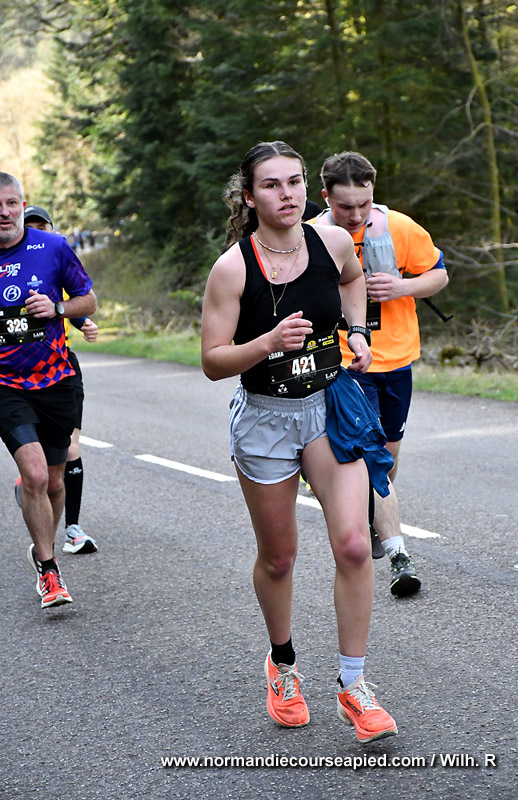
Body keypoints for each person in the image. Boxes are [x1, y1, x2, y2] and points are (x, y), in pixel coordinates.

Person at [201, 141, 398, 743]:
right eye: (271, 185)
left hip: (329, 407)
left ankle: (353, 685)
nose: (286, 194)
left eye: (294, 182)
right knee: (279, 557)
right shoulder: (233, 268)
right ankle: (283, 665)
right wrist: (267, 342)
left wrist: (357, 332)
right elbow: (212, 361)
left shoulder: (332, 242)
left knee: (355, 546)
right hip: (265, 416)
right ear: (249, 196)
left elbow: (354, 279)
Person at [314, 151, 449, 596]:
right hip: (345, 362)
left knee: (387, 458)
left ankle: (373, 515)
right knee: (372, 455)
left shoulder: (399, 228)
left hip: (397, 358)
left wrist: (402, 286)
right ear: (325, 197)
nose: (356, 215)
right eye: (345, 206)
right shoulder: (311, 237)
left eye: (364, 204)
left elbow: (439, 276)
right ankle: (399, 556)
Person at [0, 173, 97, 608]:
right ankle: (49, 568)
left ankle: (45, 549)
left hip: (56, 380)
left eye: (11, 203)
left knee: (55, 480)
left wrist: (57, 307)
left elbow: (87, 301)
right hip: (5, 385)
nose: (4, 213)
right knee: (36, 475)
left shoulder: (53, 247)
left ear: (23, 205)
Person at [14, 205, 99, 555]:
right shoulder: (16, 262)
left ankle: (72, 529)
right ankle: (31, 481)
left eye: (41, 226)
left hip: (60, 371)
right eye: (30, 225)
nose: (36, 231)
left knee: (68, 454)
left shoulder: (55, 253)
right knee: (40, 471)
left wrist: (82, 322)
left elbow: (72, 300)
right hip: (15, 379)